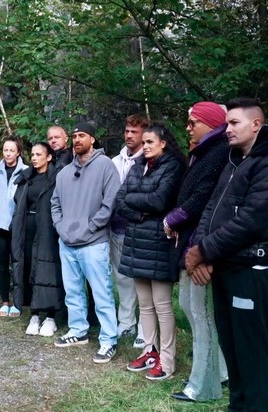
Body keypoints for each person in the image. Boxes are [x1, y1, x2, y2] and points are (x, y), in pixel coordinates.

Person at [186, 98, 268, 411]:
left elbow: (251, 220)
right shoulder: (235, 159)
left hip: (252, 269)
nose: (228, 129)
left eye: (234, 123)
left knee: (252, 351)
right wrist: (203, 253)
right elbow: (212, 207)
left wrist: (203, 250)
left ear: (256, 125)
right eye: (227, 123)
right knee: (232, 348)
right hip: (224, 268)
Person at [164, 102, 230, 401]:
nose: (188, 127)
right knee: (194, 309)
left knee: (199, 312)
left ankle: (202, 385)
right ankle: (223, 371)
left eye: (193, 122)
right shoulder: (206, 152)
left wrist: (173, 219)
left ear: (211, 122)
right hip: (196, 241)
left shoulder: (217, 153)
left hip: (201, 244)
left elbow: (204, 199)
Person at [118, 123, 186, 381]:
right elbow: (119, 200)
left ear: (163, 142)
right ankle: (149, 352)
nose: (144, 146)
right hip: (137, 241)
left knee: (162, 305)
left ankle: (167, 361)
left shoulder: (173, 166)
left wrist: (138, 204)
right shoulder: (138, 166)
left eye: (149, 142)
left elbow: (161, 200)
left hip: (159, 242)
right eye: (143, 142)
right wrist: (142, 213)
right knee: (145, 305)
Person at [51, 122, 121, 364]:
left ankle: (109, 339)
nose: (77, 139)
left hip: (93, 242)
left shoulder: (105, 166)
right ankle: (78, 330)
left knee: (101, 293)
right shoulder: (64, 173)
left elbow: (111, 203)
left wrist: (91, 227)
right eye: (74, 136)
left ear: (93, 139)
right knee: (73, 292)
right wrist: (61, 228)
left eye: (82, 135)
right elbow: (55, 204)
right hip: (67, 242)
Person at [11, 142, 63, 336]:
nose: (34, 158)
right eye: (32, 154)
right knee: (28, 268)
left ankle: (50, 317)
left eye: (38, 154)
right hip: (27, 228)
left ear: (49, 157)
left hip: (48, 229)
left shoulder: (56, 178)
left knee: (47, 269)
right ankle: (34, 315)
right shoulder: (26, 178)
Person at [110, 114, 149, 347]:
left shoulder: (150, 161)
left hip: (141, 229)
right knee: (122, 279)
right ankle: (126, 323)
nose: (128, 135)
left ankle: (146, 329)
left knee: (142, 281)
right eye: (126, 131)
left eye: (134, 131)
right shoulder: (115, 161)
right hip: (117, 228)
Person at [0, 137, 28, 317]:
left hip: (17, 226)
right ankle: (5, 301)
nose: (8, 154)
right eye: (5, 150)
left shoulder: (26, 172)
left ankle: (18, 302)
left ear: (18, 152)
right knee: (1, 265)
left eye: (12, 150)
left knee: (18, 264)